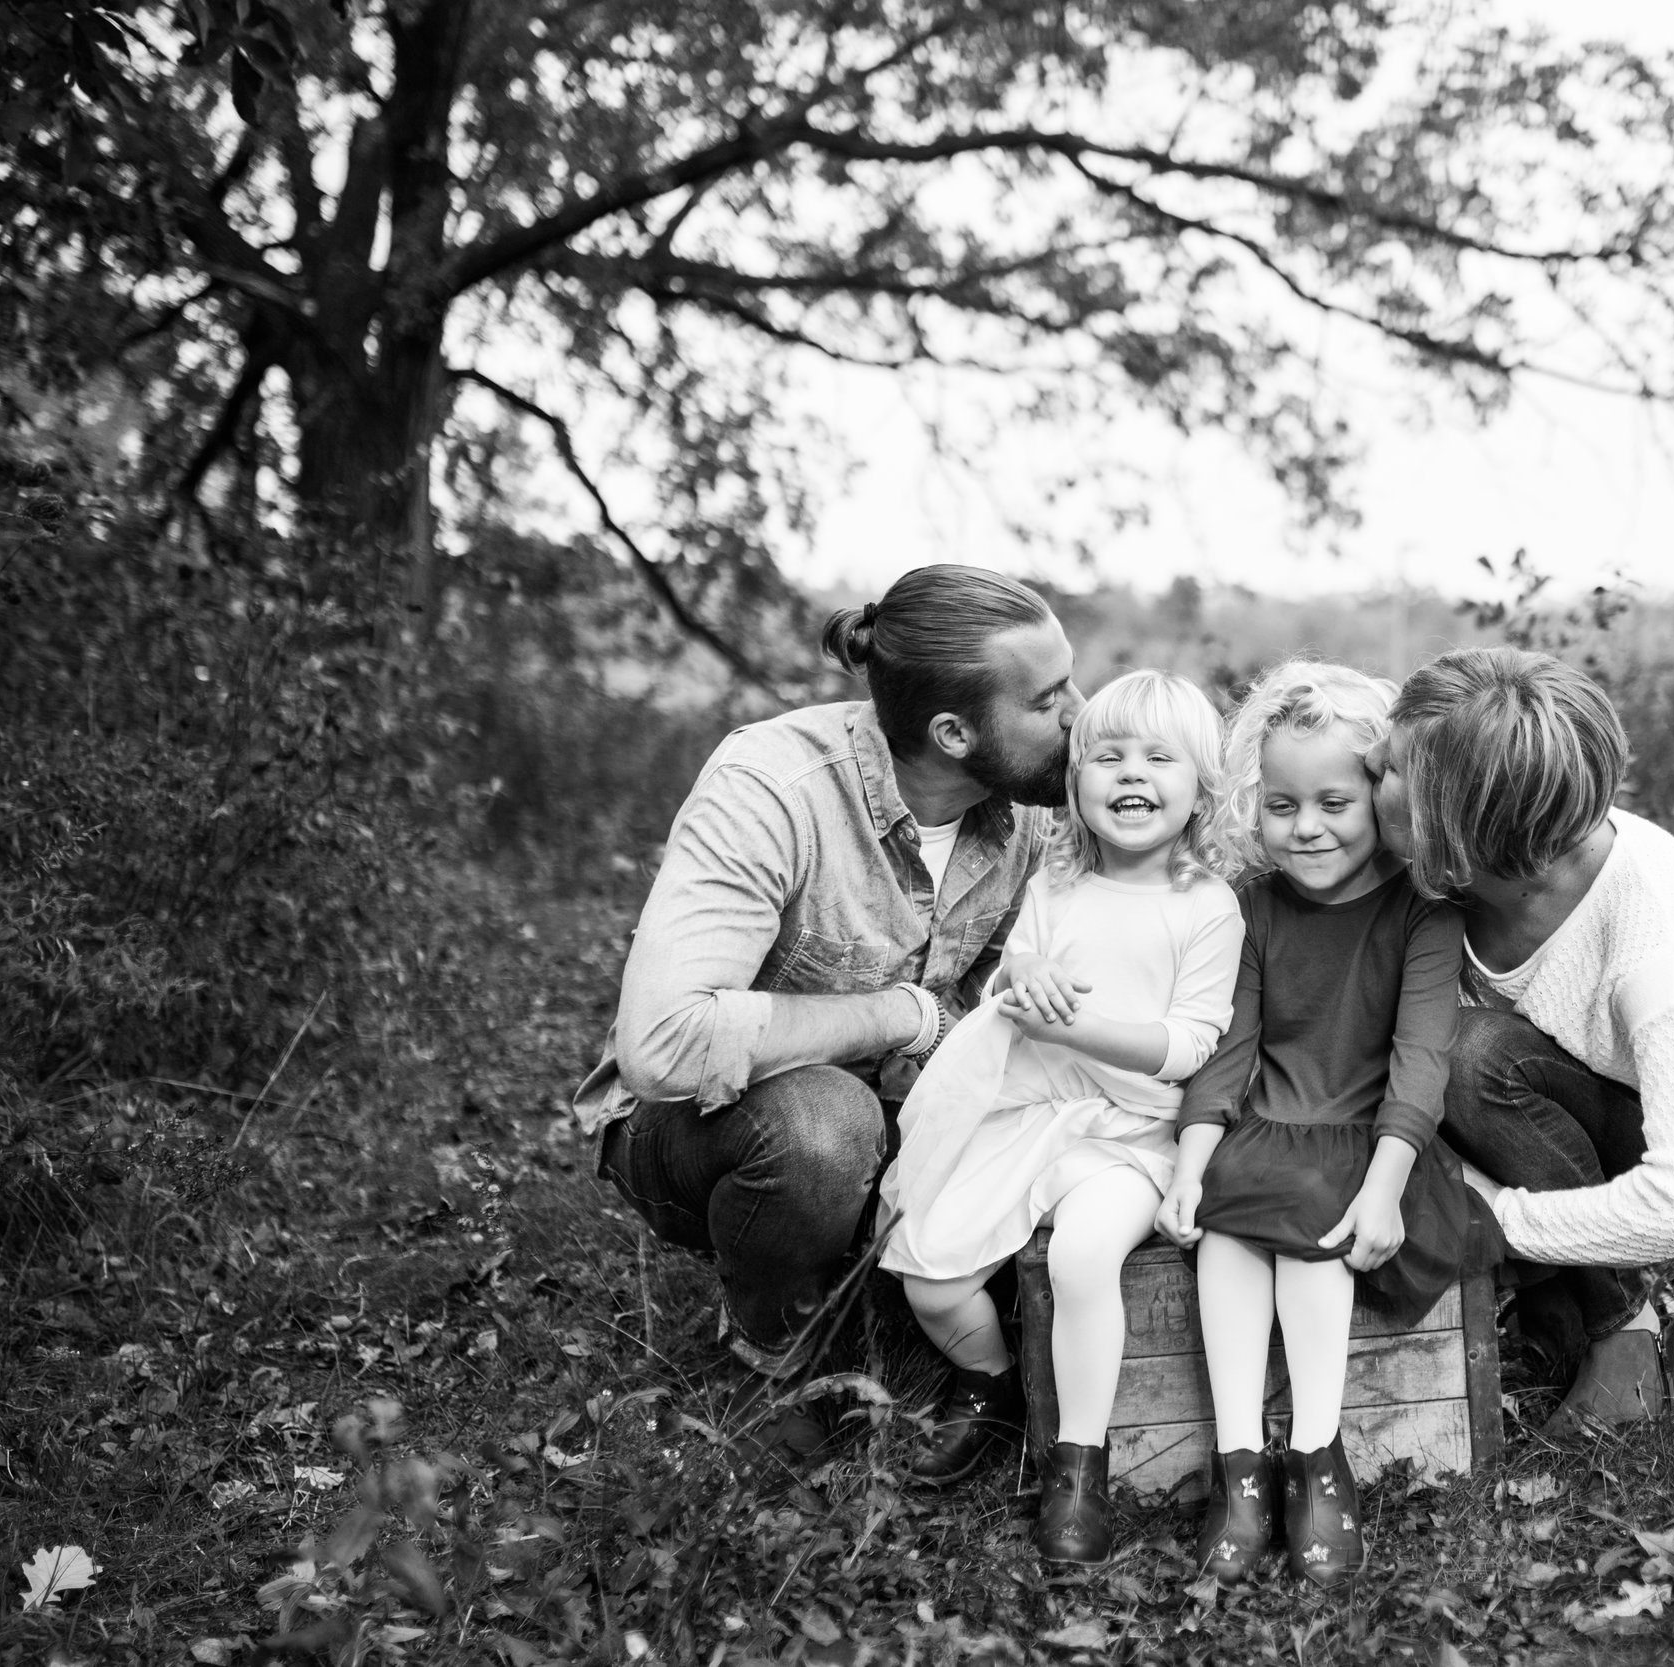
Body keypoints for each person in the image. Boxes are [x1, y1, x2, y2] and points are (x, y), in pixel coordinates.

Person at [574, 565, 1082, 1378]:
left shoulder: (1022, 810)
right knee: (825, 1129)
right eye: (1048, 699)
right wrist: (900, 1015)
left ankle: (919, 1318)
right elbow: (662, 1047)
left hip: (898, 1107)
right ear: (953, 733)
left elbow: (989, 1002)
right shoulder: (773, 788)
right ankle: (771, 1352)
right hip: (695, 1123)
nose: (1078, 713)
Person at [1365, 646, 1674, 1433]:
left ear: (1454, 825)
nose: (1367, 763)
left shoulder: (1660, 932)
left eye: (1389, 768)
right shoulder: (1445, 873)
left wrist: (1492, 1219)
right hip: (1542, 1111)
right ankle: (1543, 1301)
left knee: (1469, 1056)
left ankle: (1622, 1322)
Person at [878, 670, 1244, 1564]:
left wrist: (1075, 1021)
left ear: (1201, 788)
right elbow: (1018, 974)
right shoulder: (1057, 877)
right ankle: (990, 1378)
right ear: (1075, 779)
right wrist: (1018, 981)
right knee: (928, 1271)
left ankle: (1078, 1460)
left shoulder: (1207, 905)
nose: (1132, 773)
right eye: (1107, 755)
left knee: (1084, 1256)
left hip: (1129, 1135)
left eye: (1161, 758)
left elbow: (1190, 1045)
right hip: (1028, 1106)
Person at [1156, 661, 1504, 1587]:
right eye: (1281, 804)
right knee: (1225, 1221)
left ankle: (1317, 1455)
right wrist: (1191, 1162)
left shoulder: (1423, 911)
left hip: (1372, 1142)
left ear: (1381, 799)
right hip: (1266, 1130)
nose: (1306, 826)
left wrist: (1385, 1188)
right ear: (1254, 806)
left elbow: (1422, 1062)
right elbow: (1230, 1051)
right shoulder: (1254, 907)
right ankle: (1243, 1468)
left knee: (1315, 1219)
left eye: (1335, 801)